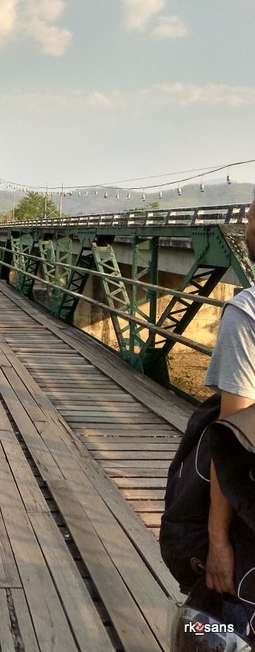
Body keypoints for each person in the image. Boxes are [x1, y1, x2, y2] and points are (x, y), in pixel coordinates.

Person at [203, 194, 255, 636]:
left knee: (229, 628)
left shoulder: (247, 312)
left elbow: (230, 441)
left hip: (250, 511)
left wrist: (217, 541)